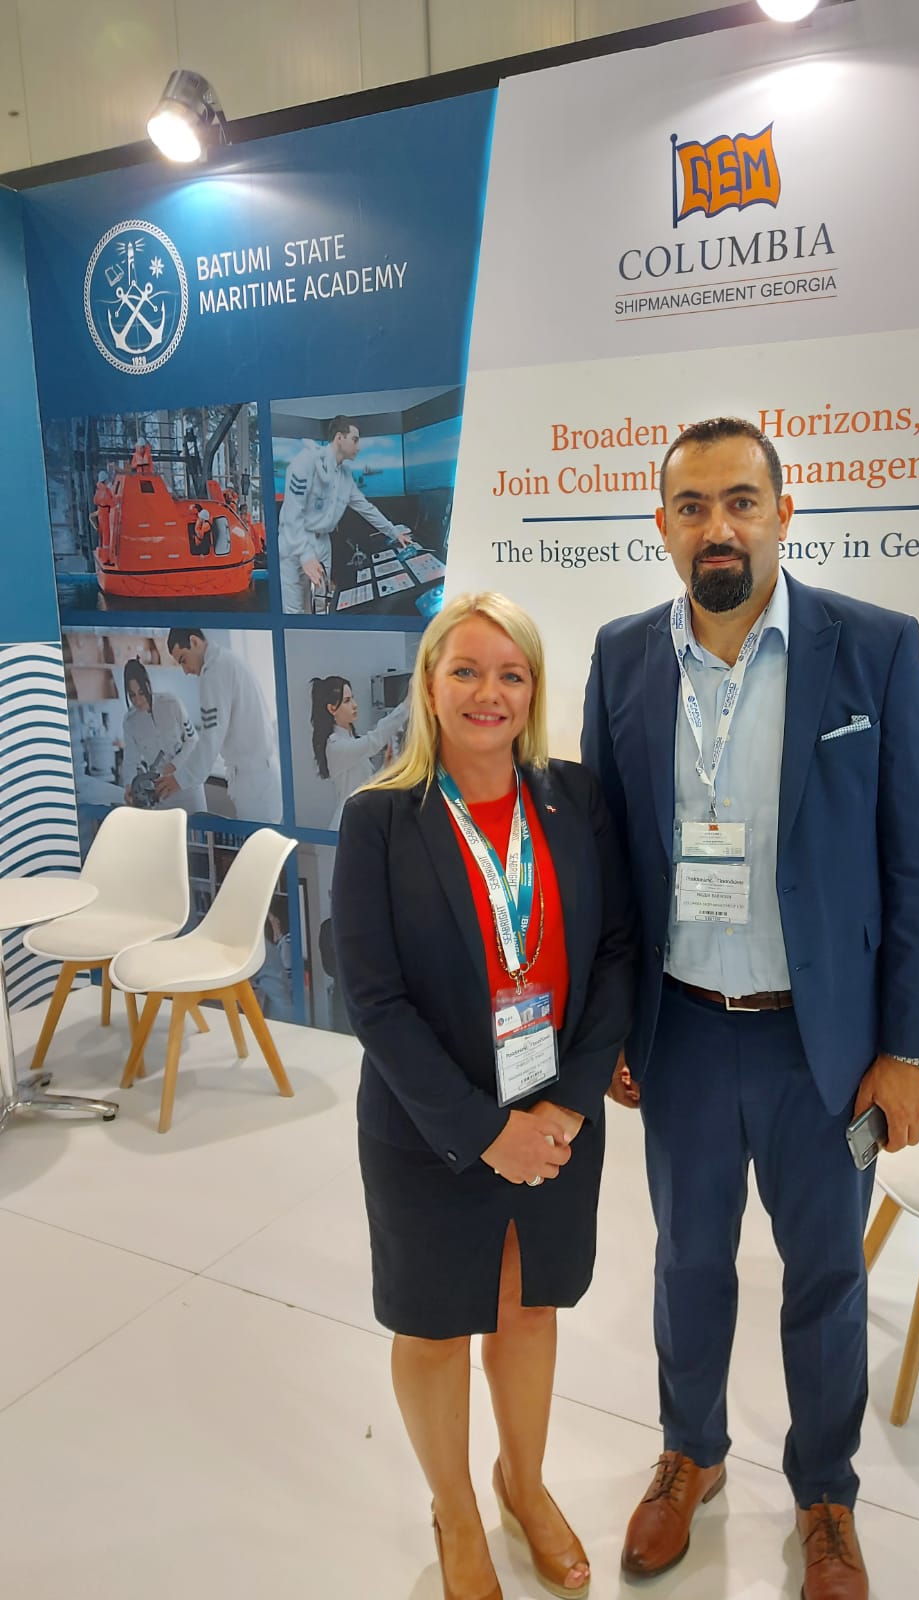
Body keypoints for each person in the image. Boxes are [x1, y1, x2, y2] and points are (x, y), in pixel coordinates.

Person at [581, 417, 919, 1600]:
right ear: (662, 527)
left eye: (741, 500)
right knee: (688, 1259)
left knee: (826, 1274)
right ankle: (689, 1452)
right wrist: (610, 1026)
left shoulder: (872, 649)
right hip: (683, 1031)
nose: (719, 527)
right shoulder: (621, 657)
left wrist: (911, 1048)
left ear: (784, 513)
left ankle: (826, 1494)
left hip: (822, 1047)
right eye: (692, 506)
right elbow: (605, 867)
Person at [333, 592, 636, 1600]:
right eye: (466, 670)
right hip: (428, 1128)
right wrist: (481, 1131)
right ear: (430, 685)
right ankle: (456, 1509)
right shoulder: (379, 819)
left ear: (534, 691)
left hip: (555, 1116)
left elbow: (615, 952)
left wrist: (570, 1104)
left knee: (528, 1305)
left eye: (511, 674)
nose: (488, 692)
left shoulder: (574, 798)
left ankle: (523, 1483)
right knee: (433, 1326)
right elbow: (373, 1000)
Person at [276, 415, 412, 614]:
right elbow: (291, 513)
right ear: (339, 438)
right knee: (293, 612)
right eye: (355, 440)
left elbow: (366, 509)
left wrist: (394, 532)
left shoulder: (345, 477)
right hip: (294, 542)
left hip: (322, 542)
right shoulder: (304, 463)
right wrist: (305, 555)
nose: (359, 447)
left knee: (321, 606)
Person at [157, 627, 282, 823]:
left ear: (194, 642)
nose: (185, 671)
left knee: (257, 840)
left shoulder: (214, 672)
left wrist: (180, 779)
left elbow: (211, 737)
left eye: (183, 660)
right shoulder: (228, 660)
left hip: (254, 783)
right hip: (260, 778)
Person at [310, 674, 410, 831]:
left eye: (352, 698)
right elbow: (374, 741)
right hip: (348, 823)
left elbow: (365, 786)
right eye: (347, 701)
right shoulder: (335, 746)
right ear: (332, 709)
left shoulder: (349, 740)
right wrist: (407, 704)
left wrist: (386, 767)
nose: (355, 705)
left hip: (360, 819)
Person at [121, 658, 205, 813]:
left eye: (141, 692)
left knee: (198, 826)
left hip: (188, 784)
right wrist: (128, 787)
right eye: (132, 695)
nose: (137, 700)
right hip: (162, 793)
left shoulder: (171, 704)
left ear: (148, 685)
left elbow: (192, 740)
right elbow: (130, 761)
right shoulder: (130, 722)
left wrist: (174, 765)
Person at [91, 470, 118, 564]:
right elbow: (112, 503)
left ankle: (102, 555)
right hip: (105, 514)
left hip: (101, 513)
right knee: (106, 536)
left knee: (102, 535)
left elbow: (95, 501)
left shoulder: (99, 490)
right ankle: (106, 558)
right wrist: (117, 502)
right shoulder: (105, 492)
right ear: (105, 480)